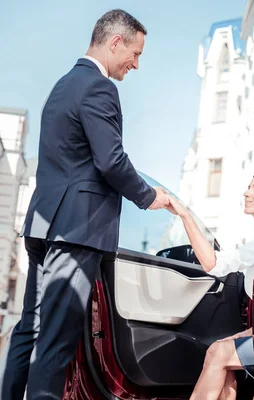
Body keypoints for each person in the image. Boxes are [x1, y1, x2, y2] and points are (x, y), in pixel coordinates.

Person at [0, 10, 170, 400]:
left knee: (31, 329)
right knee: (56, 341)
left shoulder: (63, 85)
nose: (136, 64)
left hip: (44, 227)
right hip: (77, 231)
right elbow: (110, 160)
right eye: (135, 53)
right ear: (115, 42)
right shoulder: (99, 87)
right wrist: (149, 196)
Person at [166, 171, 254, 400]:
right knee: (218, 351)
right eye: (248, 187)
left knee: (219, 353)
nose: (247, 192)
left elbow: (212, 263)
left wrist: (184, 215)